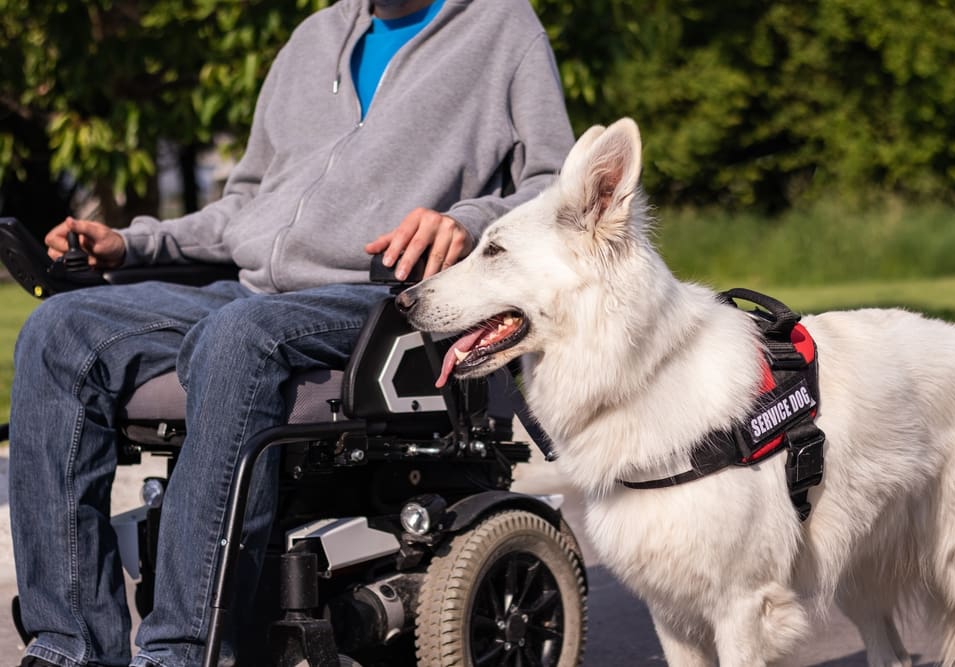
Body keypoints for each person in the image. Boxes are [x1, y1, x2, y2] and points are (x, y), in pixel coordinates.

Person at [8, 0, 574, 665]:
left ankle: (183, 650)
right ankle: (70, 644)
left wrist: (470, 222)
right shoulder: (314, 38)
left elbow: (553, 186)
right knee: (59, 329)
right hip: (250, 290)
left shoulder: (501, 27)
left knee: (239, 336)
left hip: (383, 293)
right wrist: (132, 244)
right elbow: (246, 204)